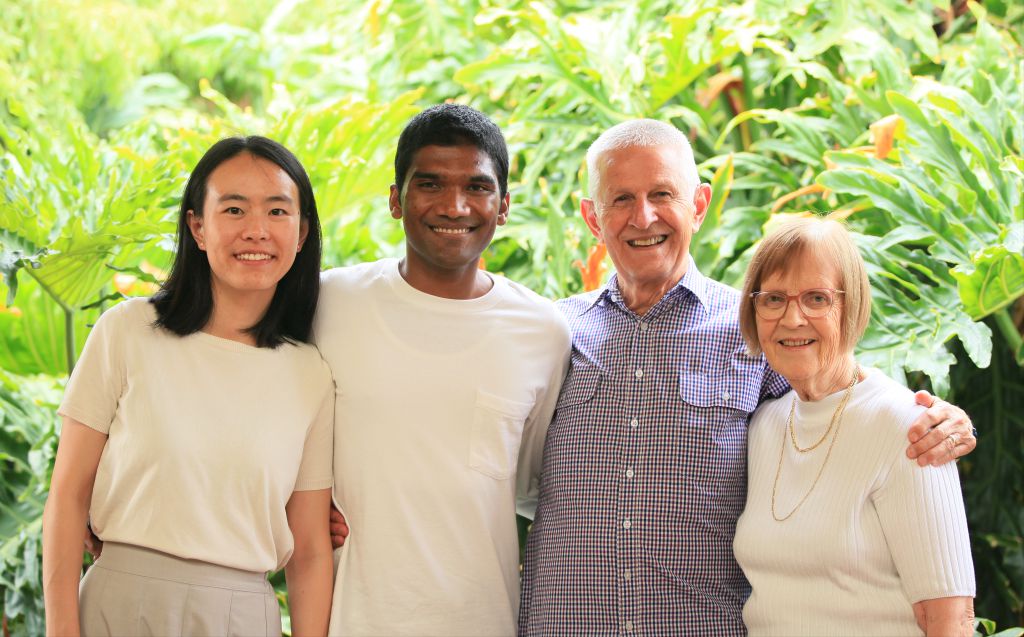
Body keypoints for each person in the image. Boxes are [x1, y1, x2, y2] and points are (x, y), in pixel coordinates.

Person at [519, 119, 977, 636]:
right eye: (620, 199)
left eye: (662, 193)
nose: (642, 216)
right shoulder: (550, 335)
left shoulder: (757, 331)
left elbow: (835, 398)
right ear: (592, 218)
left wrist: (938, 420)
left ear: (698, 204)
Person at [42, 136, 334, 637]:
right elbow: (68, 497)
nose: (257, 231)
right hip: (116, 605)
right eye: (234, 209)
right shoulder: (127, 330)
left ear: (303, 232)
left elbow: (308, 550)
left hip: (242, 617)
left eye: (278, 212)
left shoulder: (310, 373)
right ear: (197, 226)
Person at [314, 104, 571, 636]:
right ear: (395, 199)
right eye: (429, 184)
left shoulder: (543, 331)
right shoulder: (328, 303)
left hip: (484, 621)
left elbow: (529, 482)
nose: (454, 206)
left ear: (503, 207)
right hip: (354, 621)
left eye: (477, 187)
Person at [733, 217, 974, 636]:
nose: (792, 319)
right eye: (773, 299)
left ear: (852, 306)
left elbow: (949, 619)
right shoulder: (765, 425)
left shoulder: (909, 429)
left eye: (816, 298)